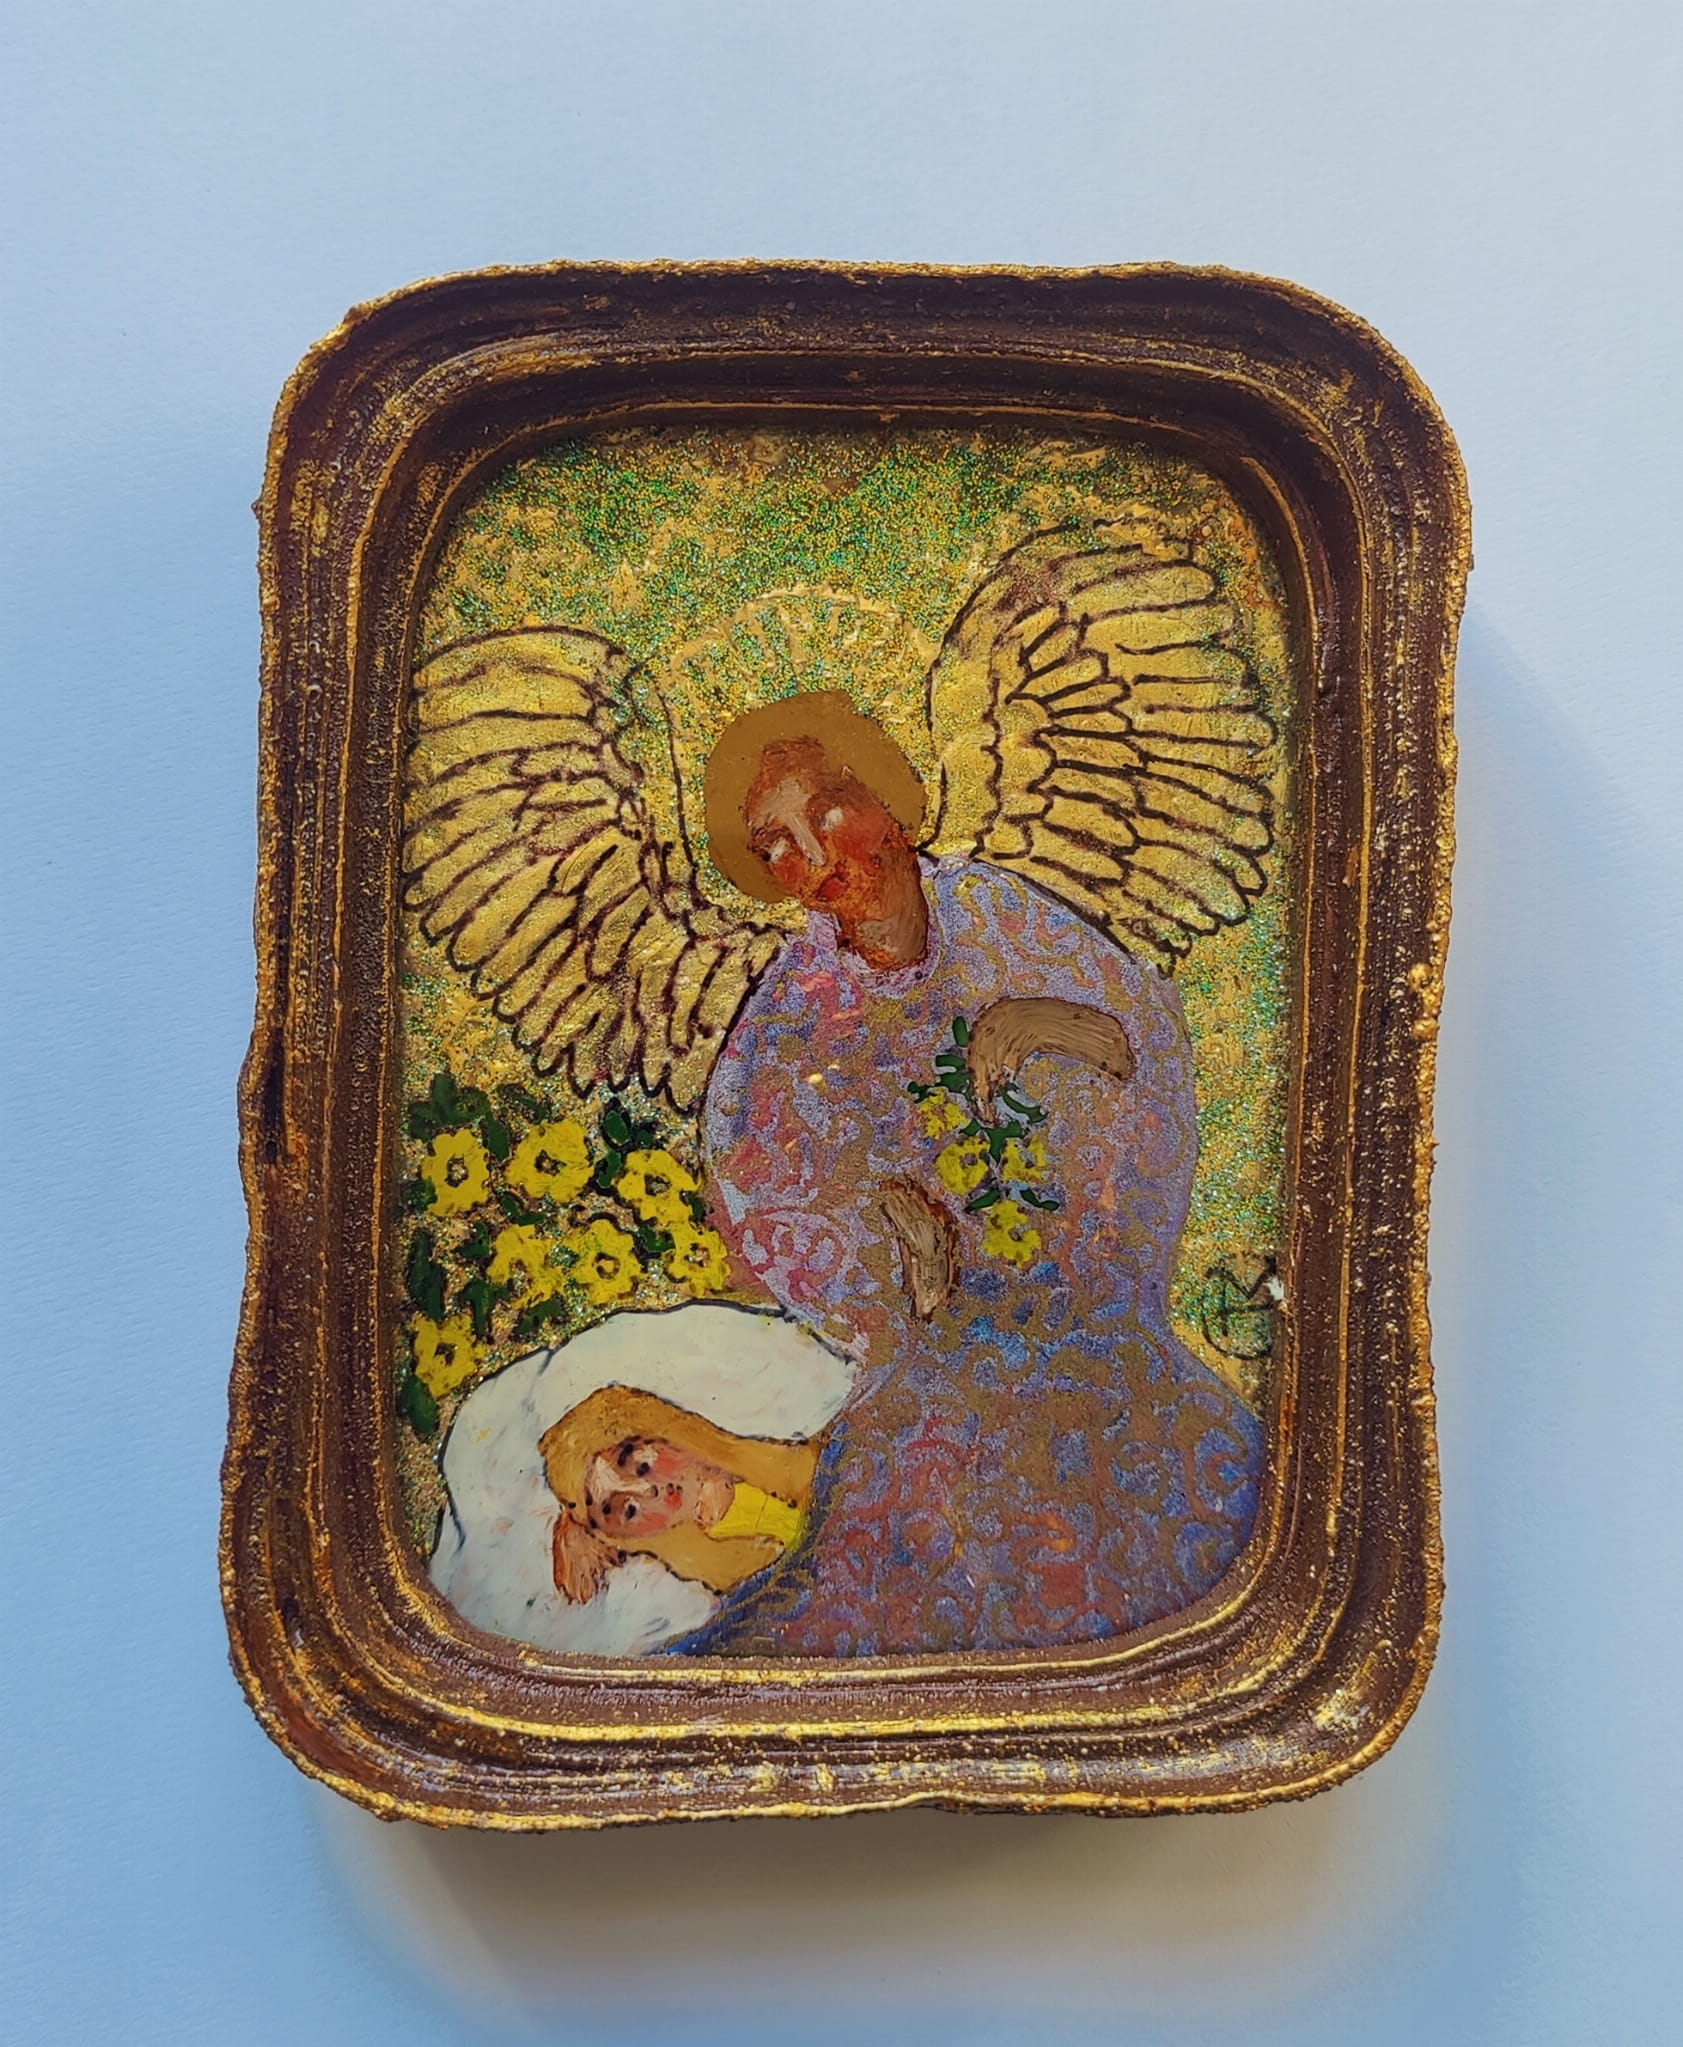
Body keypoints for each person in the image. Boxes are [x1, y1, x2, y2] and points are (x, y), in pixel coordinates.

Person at [674, 697, 1265, 1657]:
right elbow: (762, 1174)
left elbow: (1143, 1047)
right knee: (923, 1490)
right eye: (774, 845)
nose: (812, 856)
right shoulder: (793, 1007)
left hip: (1086, 1306)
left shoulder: (996, 913)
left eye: (824, 810)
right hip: (939, 1344)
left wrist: (1053, 1024)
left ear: (889, 799)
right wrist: (898, 1251)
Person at [541, 1384, 817, 1605]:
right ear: (629, 1539)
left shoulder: (767, 1433)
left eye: (641, 1464)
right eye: (629, 1510)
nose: (649, 1489)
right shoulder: (726, 1574)